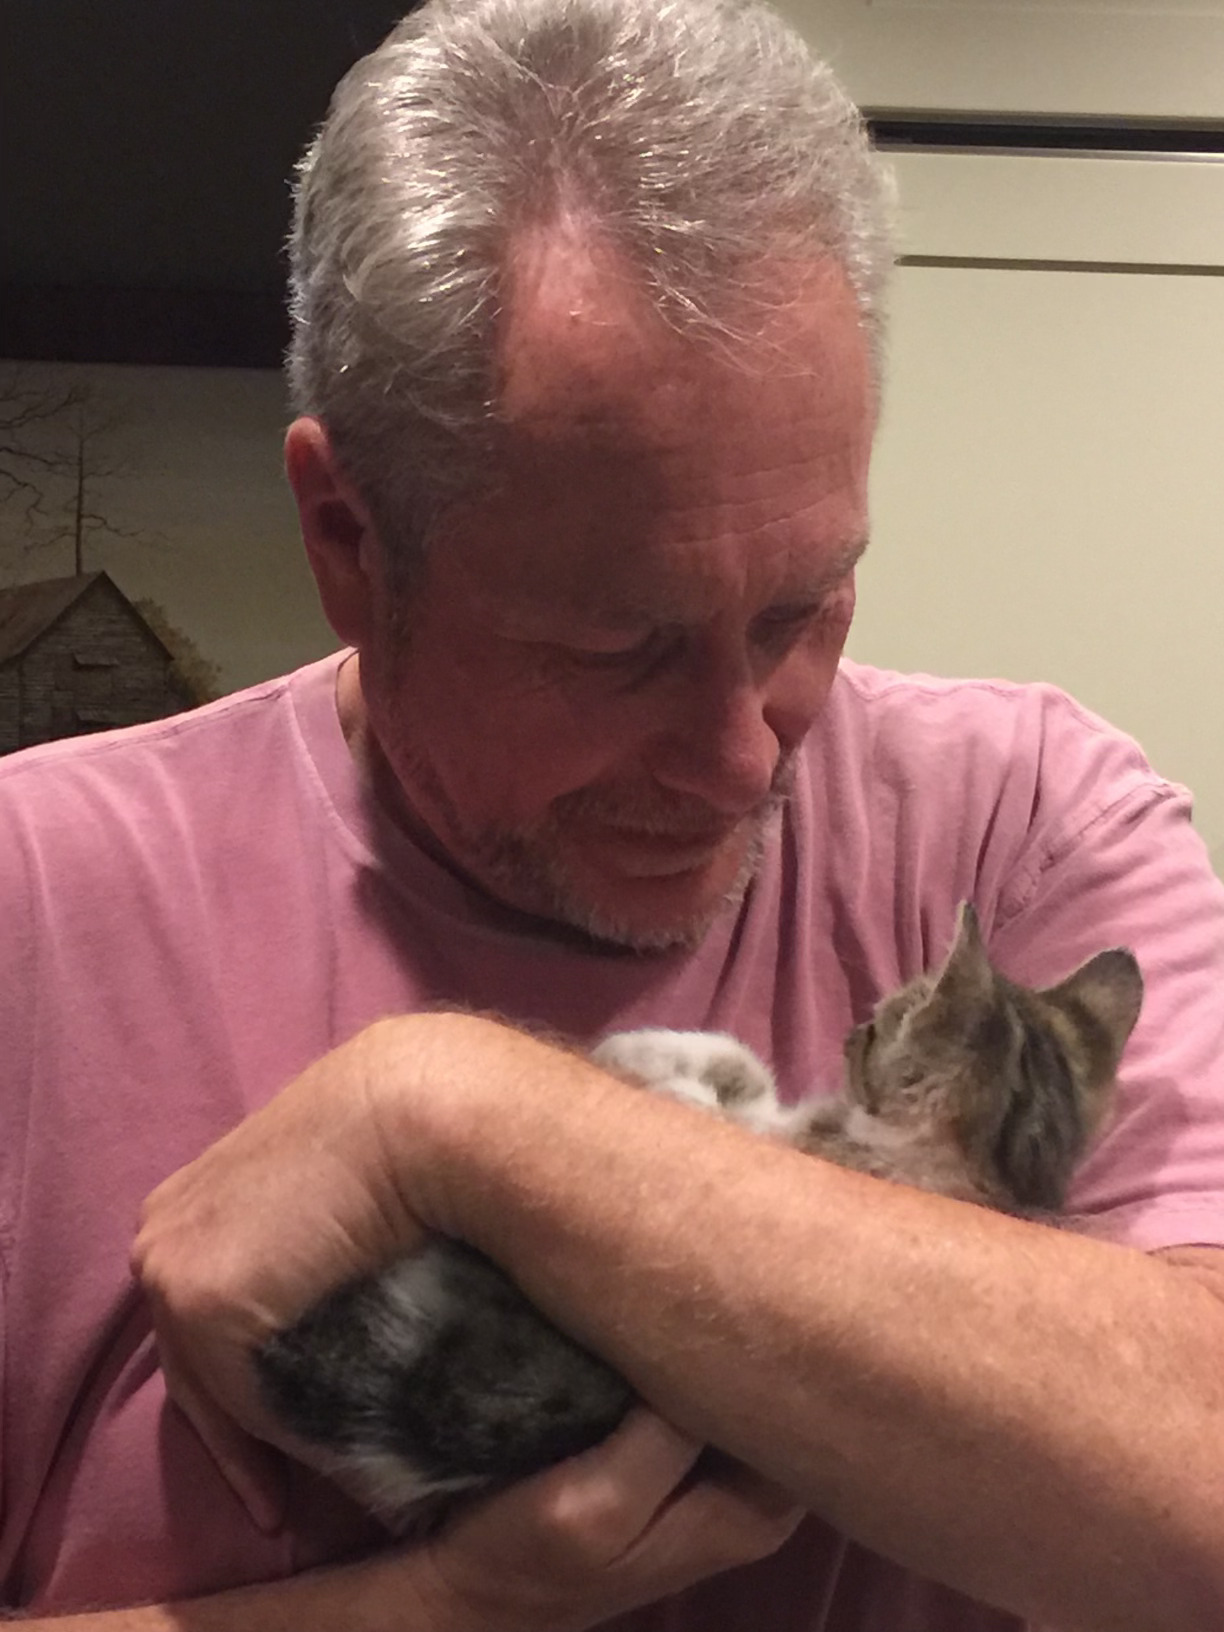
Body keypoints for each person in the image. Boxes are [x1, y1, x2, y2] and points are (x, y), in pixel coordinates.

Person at [2, 0, 1223, 1627]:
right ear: (350, 540)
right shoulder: (37, 901)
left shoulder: (1029, 825)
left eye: (804, 608)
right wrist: (425, 1610)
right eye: (617, 647)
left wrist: (454, 1115)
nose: (742, 761)